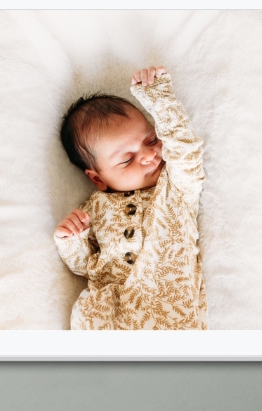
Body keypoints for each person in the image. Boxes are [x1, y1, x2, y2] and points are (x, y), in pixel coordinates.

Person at [53, 66, 207, 330]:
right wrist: (71, 240)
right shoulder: (94, 209)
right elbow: (86, 266)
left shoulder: (175, 188)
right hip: (109, 313)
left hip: (169, 308)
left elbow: (186, 150)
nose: (149, 155)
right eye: (127, 159)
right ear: (98, 179)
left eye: (151, 140)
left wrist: (158, 97)